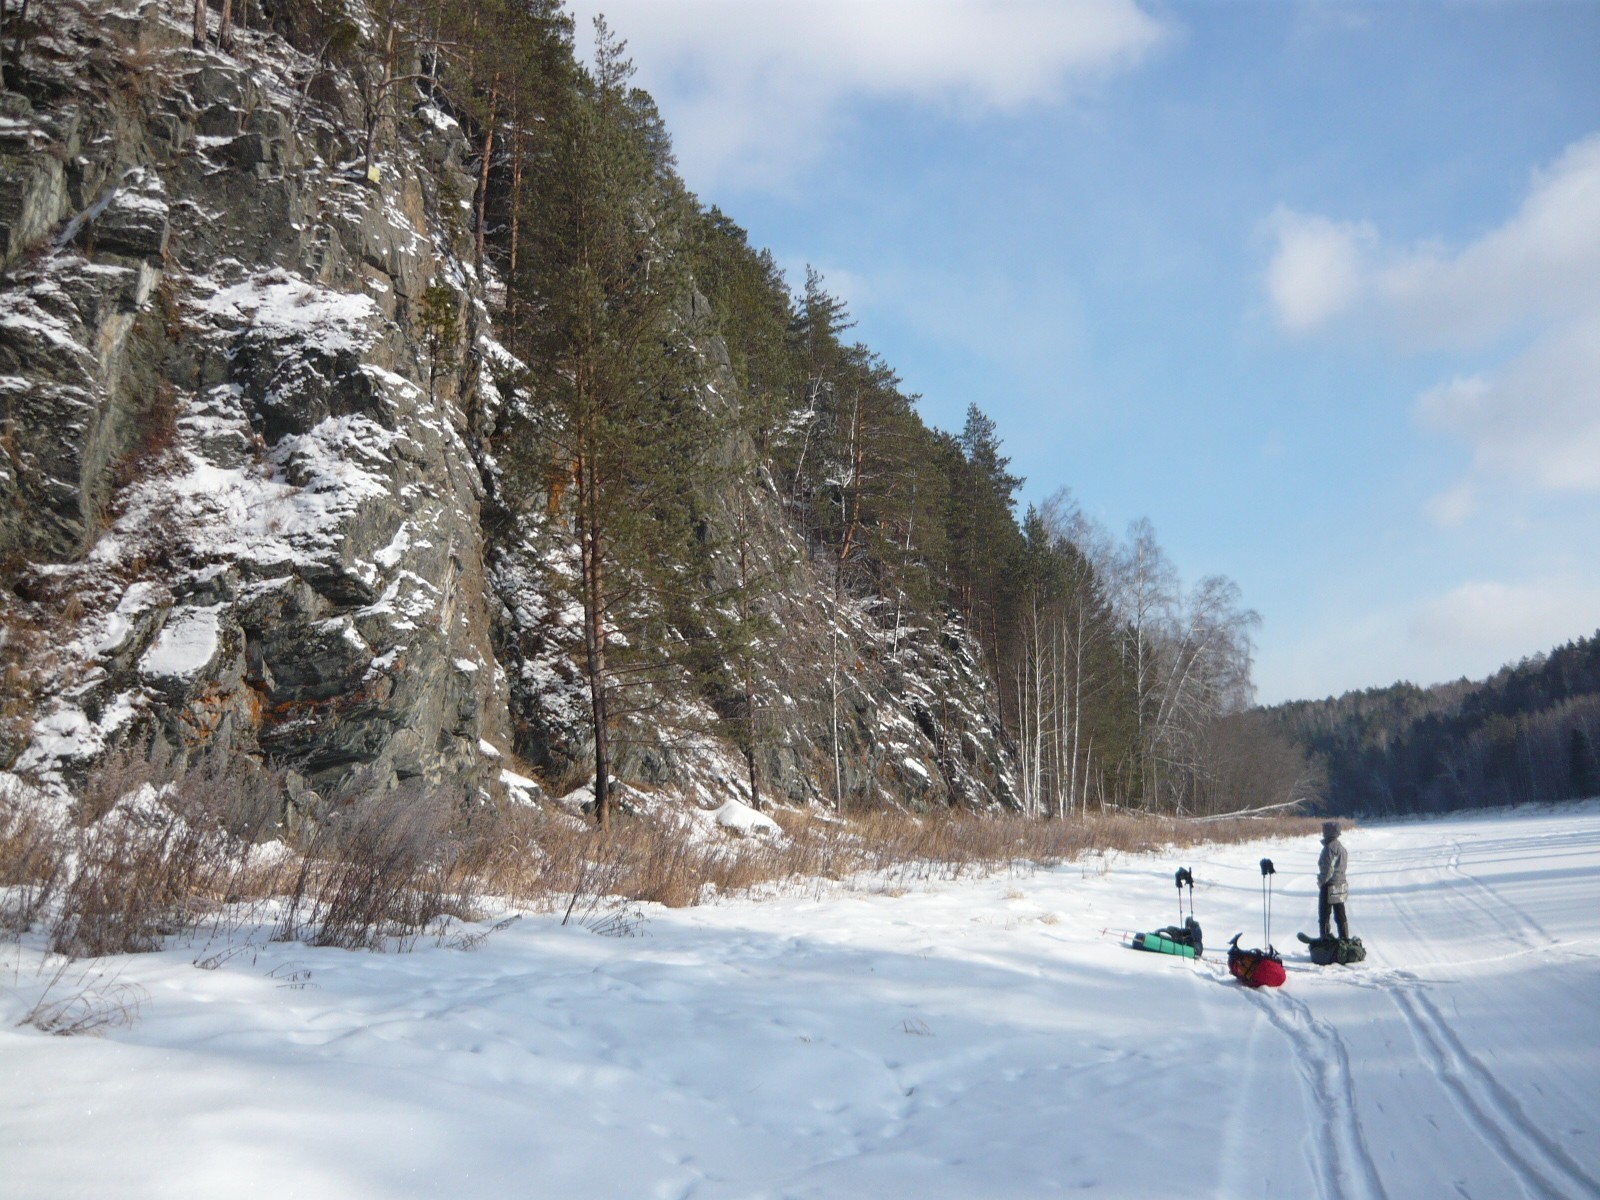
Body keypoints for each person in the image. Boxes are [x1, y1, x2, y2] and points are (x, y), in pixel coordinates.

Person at [1317, 821, 1350, 940]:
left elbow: (1328, 870)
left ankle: (1324, 940)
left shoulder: (1329, 849)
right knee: (1340, 914)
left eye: (1324, 830)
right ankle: (1345, 938)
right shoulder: (1342, 848)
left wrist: (1321, 882)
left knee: (1324, 915)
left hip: (1330, 885)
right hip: (1341, 884)